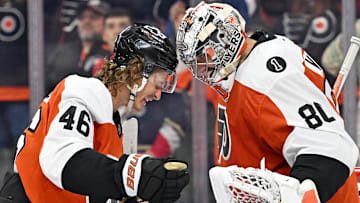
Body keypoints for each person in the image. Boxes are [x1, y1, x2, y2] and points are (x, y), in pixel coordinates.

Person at [176, 2, 359, 203]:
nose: (201, 67)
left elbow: (331, 149)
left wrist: (300, 195)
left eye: (204, 55)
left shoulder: (267, 77)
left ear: (223, 41)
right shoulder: (236, 68)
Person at [0, 23, 189, 203]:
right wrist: (134, 175)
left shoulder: (112, 120)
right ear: (134, 72)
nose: (157, 95)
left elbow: (89, 184)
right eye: (158, 84)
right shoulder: (84, 90)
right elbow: (62, 160)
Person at [45, 0, 111, 93]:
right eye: (82, 17)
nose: (87, 21)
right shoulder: (63, 52)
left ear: (106, 22)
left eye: (94, 17)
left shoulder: (111, 52)